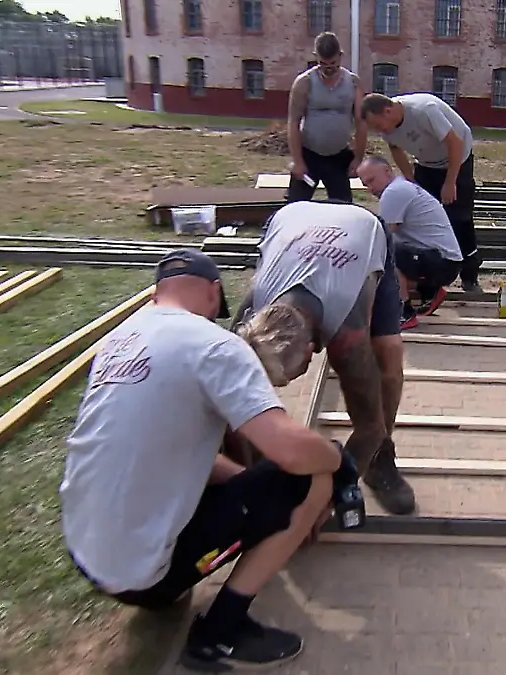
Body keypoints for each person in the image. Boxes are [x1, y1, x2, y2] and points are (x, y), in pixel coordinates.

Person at [59, 249, 345, 671]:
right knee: (313, 477)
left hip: (87, 554)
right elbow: (292, 451)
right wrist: (337, 461)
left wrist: (252, 494)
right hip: (143, 578)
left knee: (267, 489)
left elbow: (178, 452)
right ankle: (220, 632)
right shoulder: (213, 345)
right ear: (214, 293)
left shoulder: (121, 338)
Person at [231, 199, 416, 516]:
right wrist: (254, 483)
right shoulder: (249, 319)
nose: (289, 383)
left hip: (362, 228)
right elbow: (229, 406)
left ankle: (380, 460)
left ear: (310, 350)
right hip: (292, 219)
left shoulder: (348, 334)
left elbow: (369, 426)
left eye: (290, 377)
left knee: (387, 359)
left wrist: (322, 503)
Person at [360, 92, 482, 293]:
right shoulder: (387, 126)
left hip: (457, 159)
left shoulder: (424, 110)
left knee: (460, 218)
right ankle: (427, 282)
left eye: (378, 125)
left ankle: (470, 276)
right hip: (426, 163)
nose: (378, 131)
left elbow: (455, 142)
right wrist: (410, 178)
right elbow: (396, 149)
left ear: (388, 111)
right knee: (424, 212)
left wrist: (450, 182)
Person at [357, 154, 463, 329]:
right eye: (365, 184)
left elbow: (382, 237)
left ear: (387, 171)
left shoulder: (394, 192)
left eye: (372, 180)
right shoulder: (402, 187)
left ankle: (403, 312)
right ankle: (428, 291)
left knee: (386, 251)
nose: (369, 188)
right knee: (389, 251)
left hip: (442, 262)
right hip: (446, 260)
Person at [285, 32, 368, 204]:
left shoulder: (353, 83)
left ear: (340, 56)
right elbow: (293, 122)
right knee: (295, 206)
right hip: (310, 154)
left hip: (338, 156)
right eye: (323, 64)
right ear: (316, 57)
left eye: (333, 64)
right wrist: (298, 161)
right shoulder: (304, 82)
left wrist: (358, 158)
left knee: (343, 207)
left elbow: (361, 123)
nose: (328, 68)